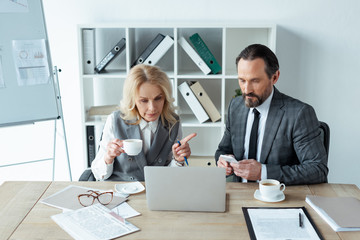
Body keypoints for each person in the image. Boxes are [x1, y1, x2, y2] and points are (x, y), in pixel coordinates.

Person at [215, 44, 328, 185]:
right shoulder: (236, 106)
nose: (246, 89)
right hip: (239, 194)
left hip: (279, 198)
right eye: (242, 80)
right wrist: (223, 160)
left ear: (274, 77)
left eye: (255, 81)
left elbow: (318, 169)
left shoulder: (299, 114)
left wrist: (263, 172)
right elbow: (223, 150)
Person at [92, 64, 196, 181]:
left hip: (156, 189)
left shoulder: (173, 122)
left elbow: (170, 176)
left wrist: (178, 161)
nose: (152, 108)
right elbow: (98, 174)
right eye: (144, 100)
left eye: (158, 98)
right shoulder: (115, 120)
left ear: (165, 98)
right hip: (120, 190)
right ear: (133, 100)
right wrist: (108, 157)